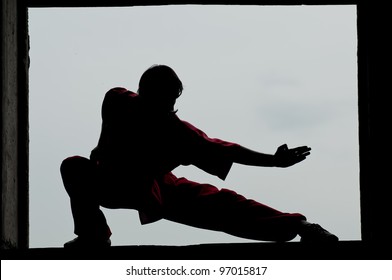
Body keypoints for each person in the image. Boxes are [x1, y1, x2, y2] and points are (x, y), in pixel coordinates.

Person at [61, 64, 338, 248]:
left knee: (223, 205)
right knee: (73, 166)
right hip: (111, 181)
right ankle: (93, 236)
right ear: (144, 93)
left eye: (171, 104)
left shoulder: (175, 131)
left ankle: (301, 226)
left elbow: (227, 149)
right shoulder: (118, 101)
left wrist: (273, 160)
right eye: (164, 102)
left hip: (154, 188)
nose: (168, 109)